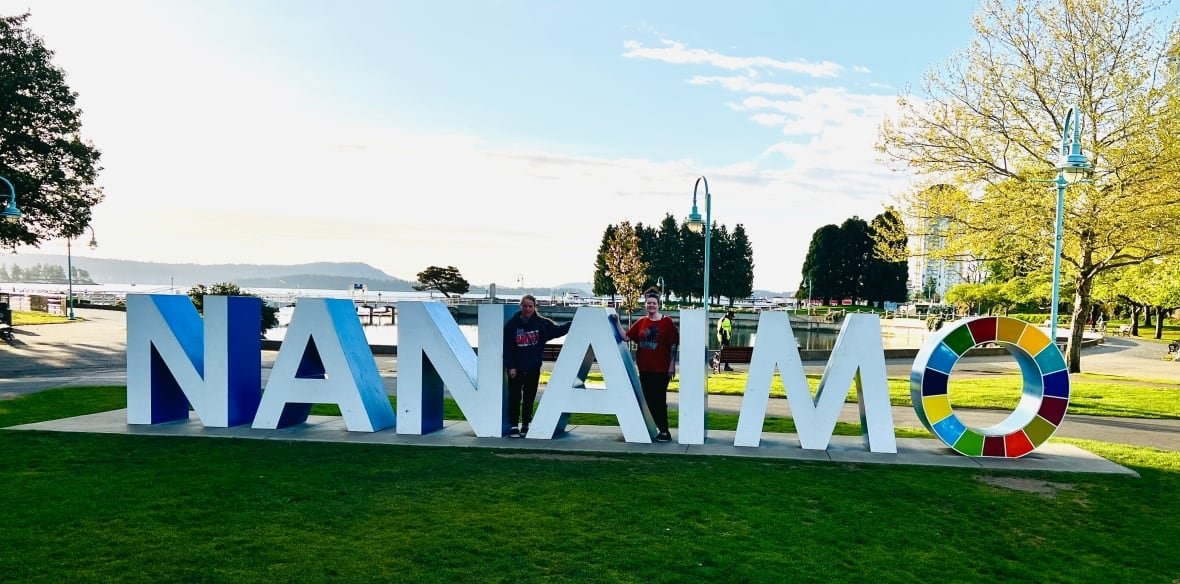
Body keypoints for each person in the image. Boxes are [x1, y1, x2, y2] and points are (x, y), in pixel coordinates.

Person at [610, 288, 679, 442]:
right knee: (648, 400)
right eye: (649, 303)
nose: (651, 306)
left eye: (654, 303)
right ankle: (653, 427)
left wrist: (672, 365)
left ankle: (664, 431)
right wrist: (616, 322)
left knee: (659, 400)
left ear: (658, 305)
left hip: (661, 369)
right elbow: (626, 337)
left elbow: (673, 344)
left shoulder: (666, 322)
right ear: (646, 305)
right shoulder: (641, 322)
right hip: (645, 368)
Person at [503, 294, 571, 438]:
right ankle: (514, 425)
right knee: (514, 397)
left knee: (529, 397)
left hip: (533, 367)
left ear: (535, 307)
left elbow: (558, 331)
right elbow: (507, 348)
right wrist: (511, 366)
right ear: (520, 306)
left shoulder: (542, 324)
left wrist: (574, 323)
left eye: (530, 306)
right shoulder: (511, 325)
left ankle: (526, 424)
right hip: (516, 368)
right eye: (525, 306)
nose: (527, 309)